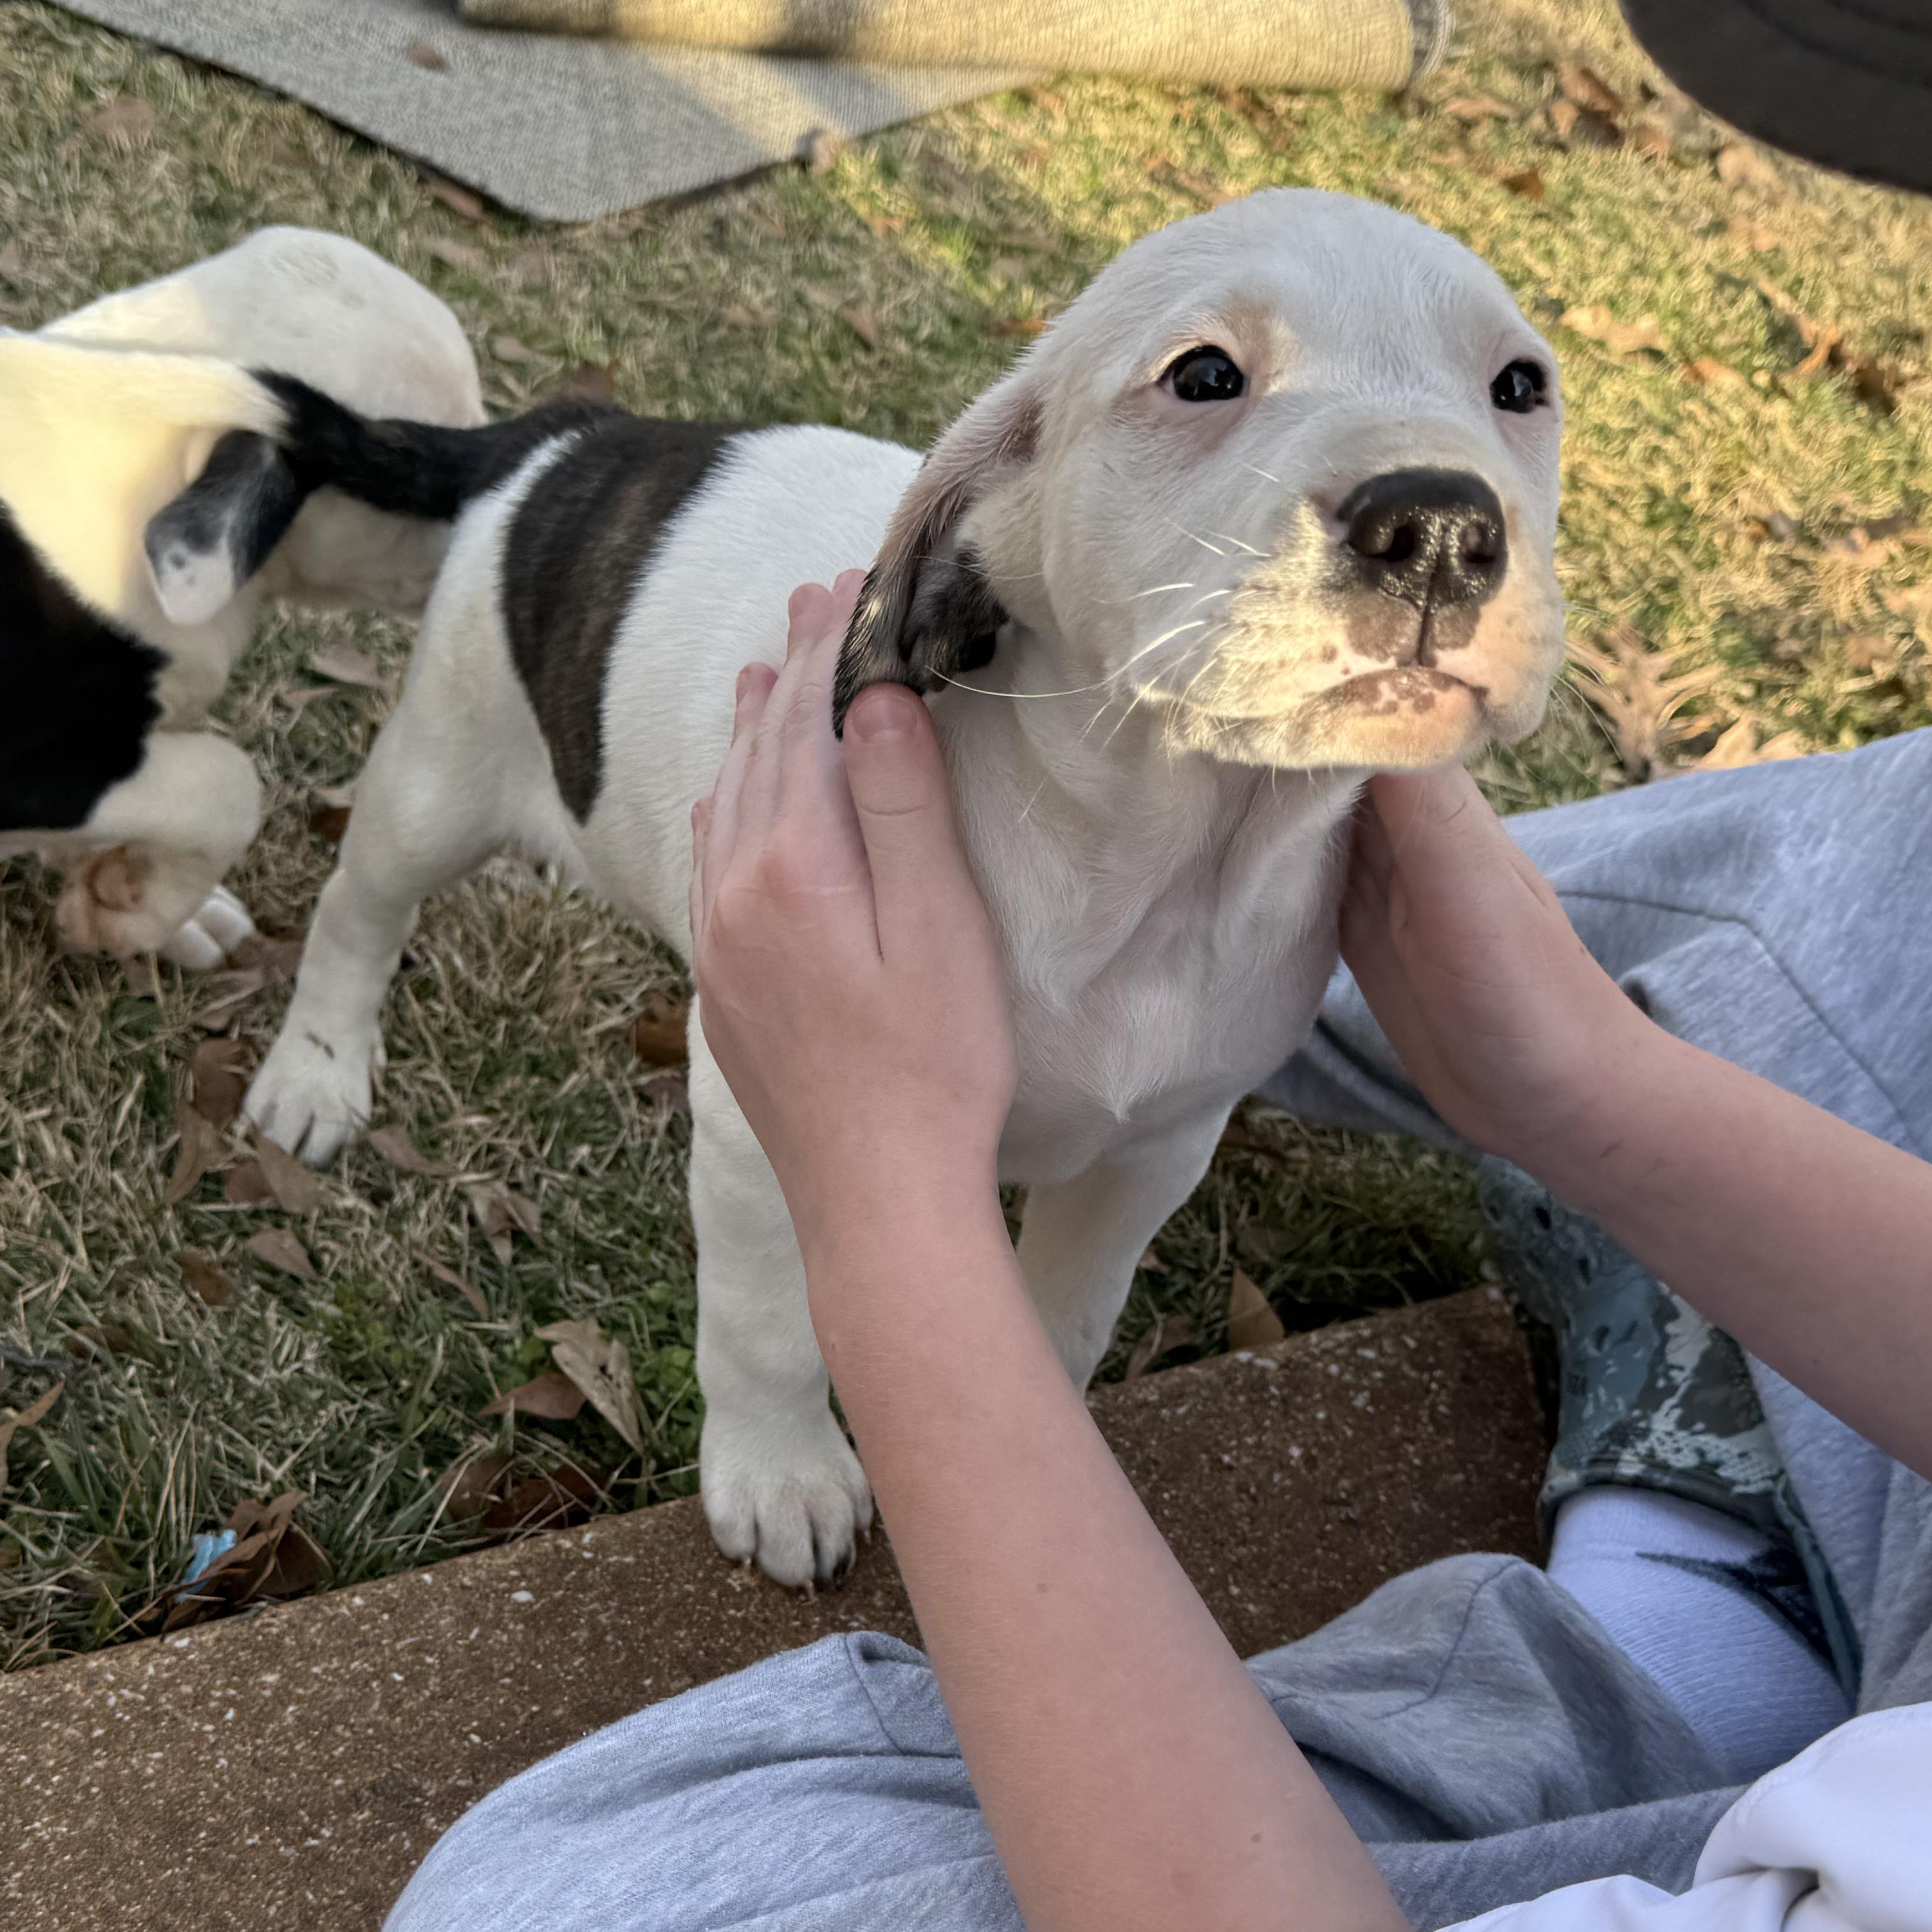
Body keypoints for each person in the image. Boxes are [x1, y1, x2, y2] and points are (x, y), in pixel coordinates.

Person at [388, 7, 1932, 1926]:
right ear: (980, 530)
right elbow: (746, 1095)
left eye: (1507, 393)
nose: (1439, 506)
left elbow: (1146, 1138)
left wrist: (974, 1315)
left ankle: (1710, 1573)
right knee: (406, 839)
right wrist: (1579, 1085)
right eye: (1206, 376)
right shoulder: (941, 619)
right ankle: (1727, 1479)